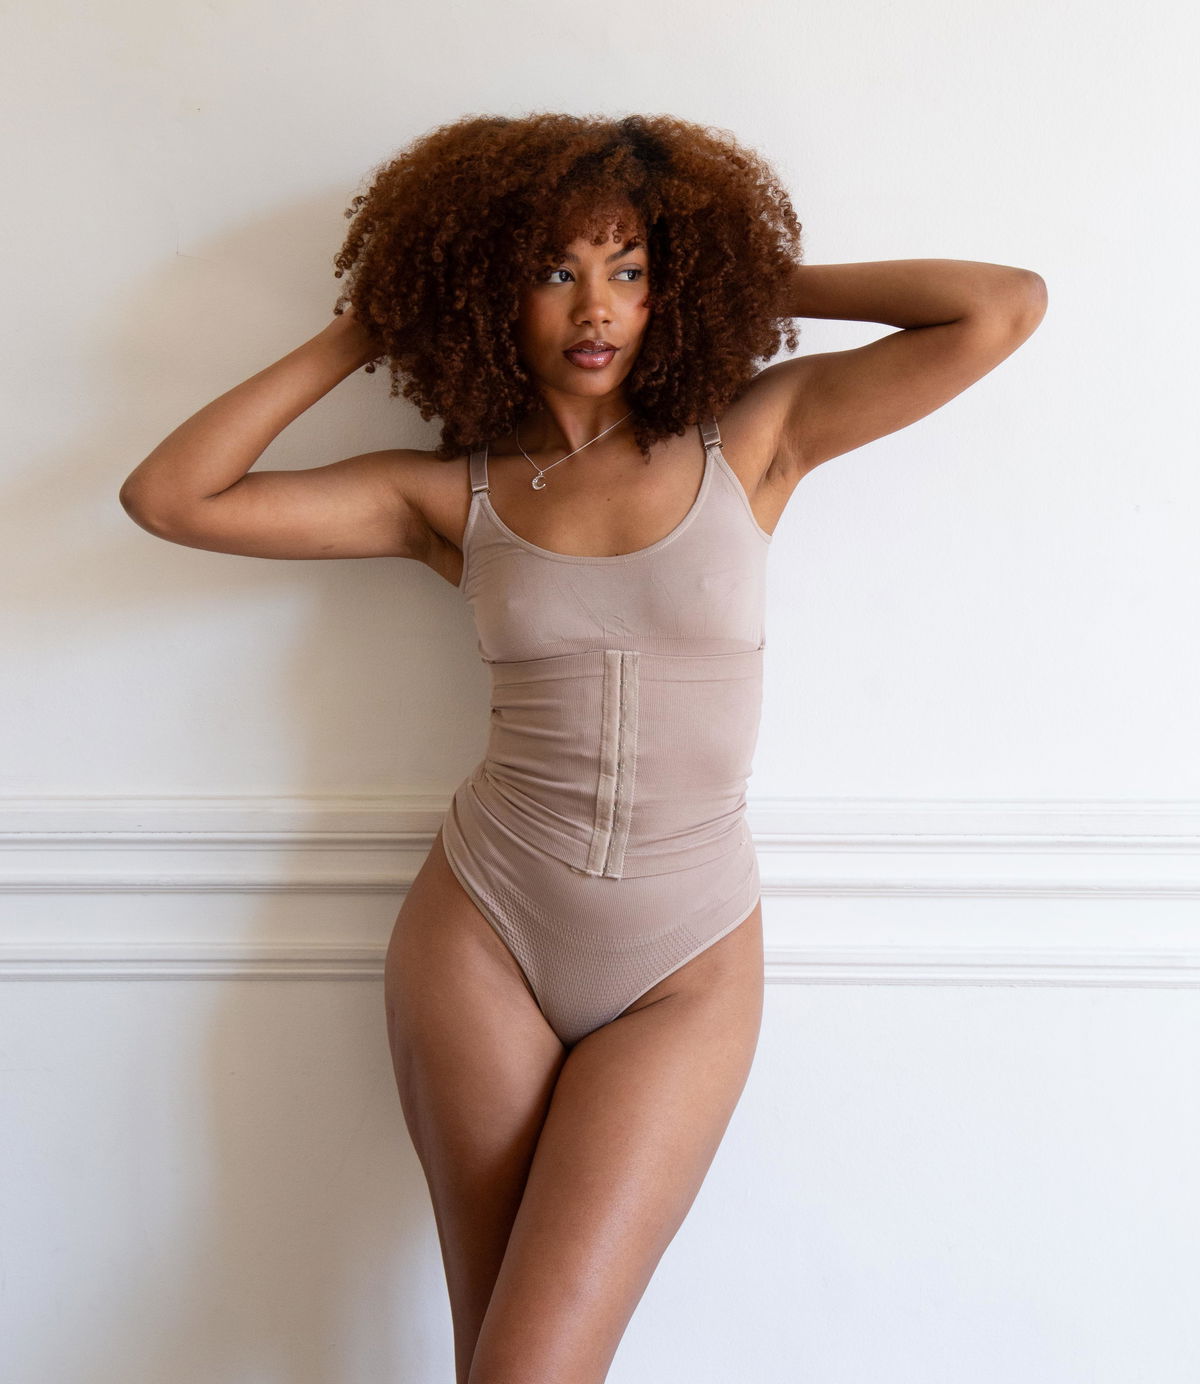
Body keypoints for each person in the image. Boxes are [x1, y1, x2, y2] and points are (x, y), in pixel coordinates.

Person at [119, 111, 1047, 1384]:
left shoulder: (754, 440)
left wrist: (739, 280)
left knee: (530, 1366)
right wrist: (365, 326)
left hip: (685, 957)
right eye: (555, 270)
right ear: (490, 291)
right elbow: (170, 498)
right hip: (484, 929)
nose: (596, 307)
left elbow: (1001, 306)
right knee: (498, 1360)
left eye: (630, 269)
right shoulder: (451, 494)